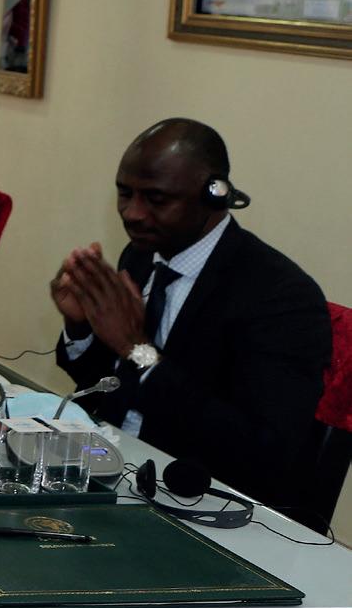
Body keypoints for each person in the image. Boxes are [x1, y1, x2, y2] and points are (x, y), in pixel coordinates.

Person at [53, 119, 333, 530]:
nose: (132, 213)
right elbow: (108, 384)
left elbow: (260, 448)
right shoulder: (142, 255)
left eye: (156, 199)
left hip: (203, 507)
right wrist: (81, 326)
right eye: (125, 193)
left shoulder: (279, 296)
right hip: (116, 471)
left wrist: (136, 349)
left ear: (214, 194)